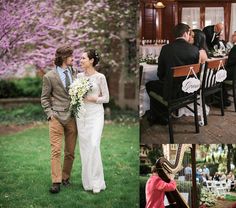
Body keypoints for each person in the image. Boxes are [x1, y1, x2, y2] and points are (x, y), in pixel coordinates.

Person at [146, 23, 199, 125]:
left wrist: (164, 80)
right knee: (161, 85)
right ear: (185, 34)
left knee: (149, 85)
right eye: (189, 33)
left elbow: (160, 73)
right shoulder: (195, 49)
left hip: (171, 93)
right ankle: (162, 114)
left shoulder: (166, 48)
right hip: (190, 90)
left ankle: (162, 115)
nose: (189, 36)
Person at [41, 45, 78, 193]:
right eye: (71, 56)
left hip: (71, 117)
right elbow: (44, 98)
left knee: (70, 152)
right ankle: (56, 182)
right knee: (56, 151)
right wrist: (50, 114)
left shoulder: (75, 72)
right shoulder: (49, 76)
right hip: (56, 116)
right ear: (63, 58)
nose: (73, 58)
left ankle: (65, 177)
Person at [77, 49, 109, 193]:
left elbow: (107, 98)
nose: (80, 60)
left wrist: (93, 99)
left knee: (94, 145)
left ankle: (97, 182)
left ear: (91, 61)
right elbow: (76, 96)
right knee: (85, 148)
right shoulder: (78, 77)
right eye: (80, 58)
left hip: (96, 114)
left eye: (83, 58)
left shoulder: (100, 77)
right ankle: (88, 182)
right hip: (82, 115)